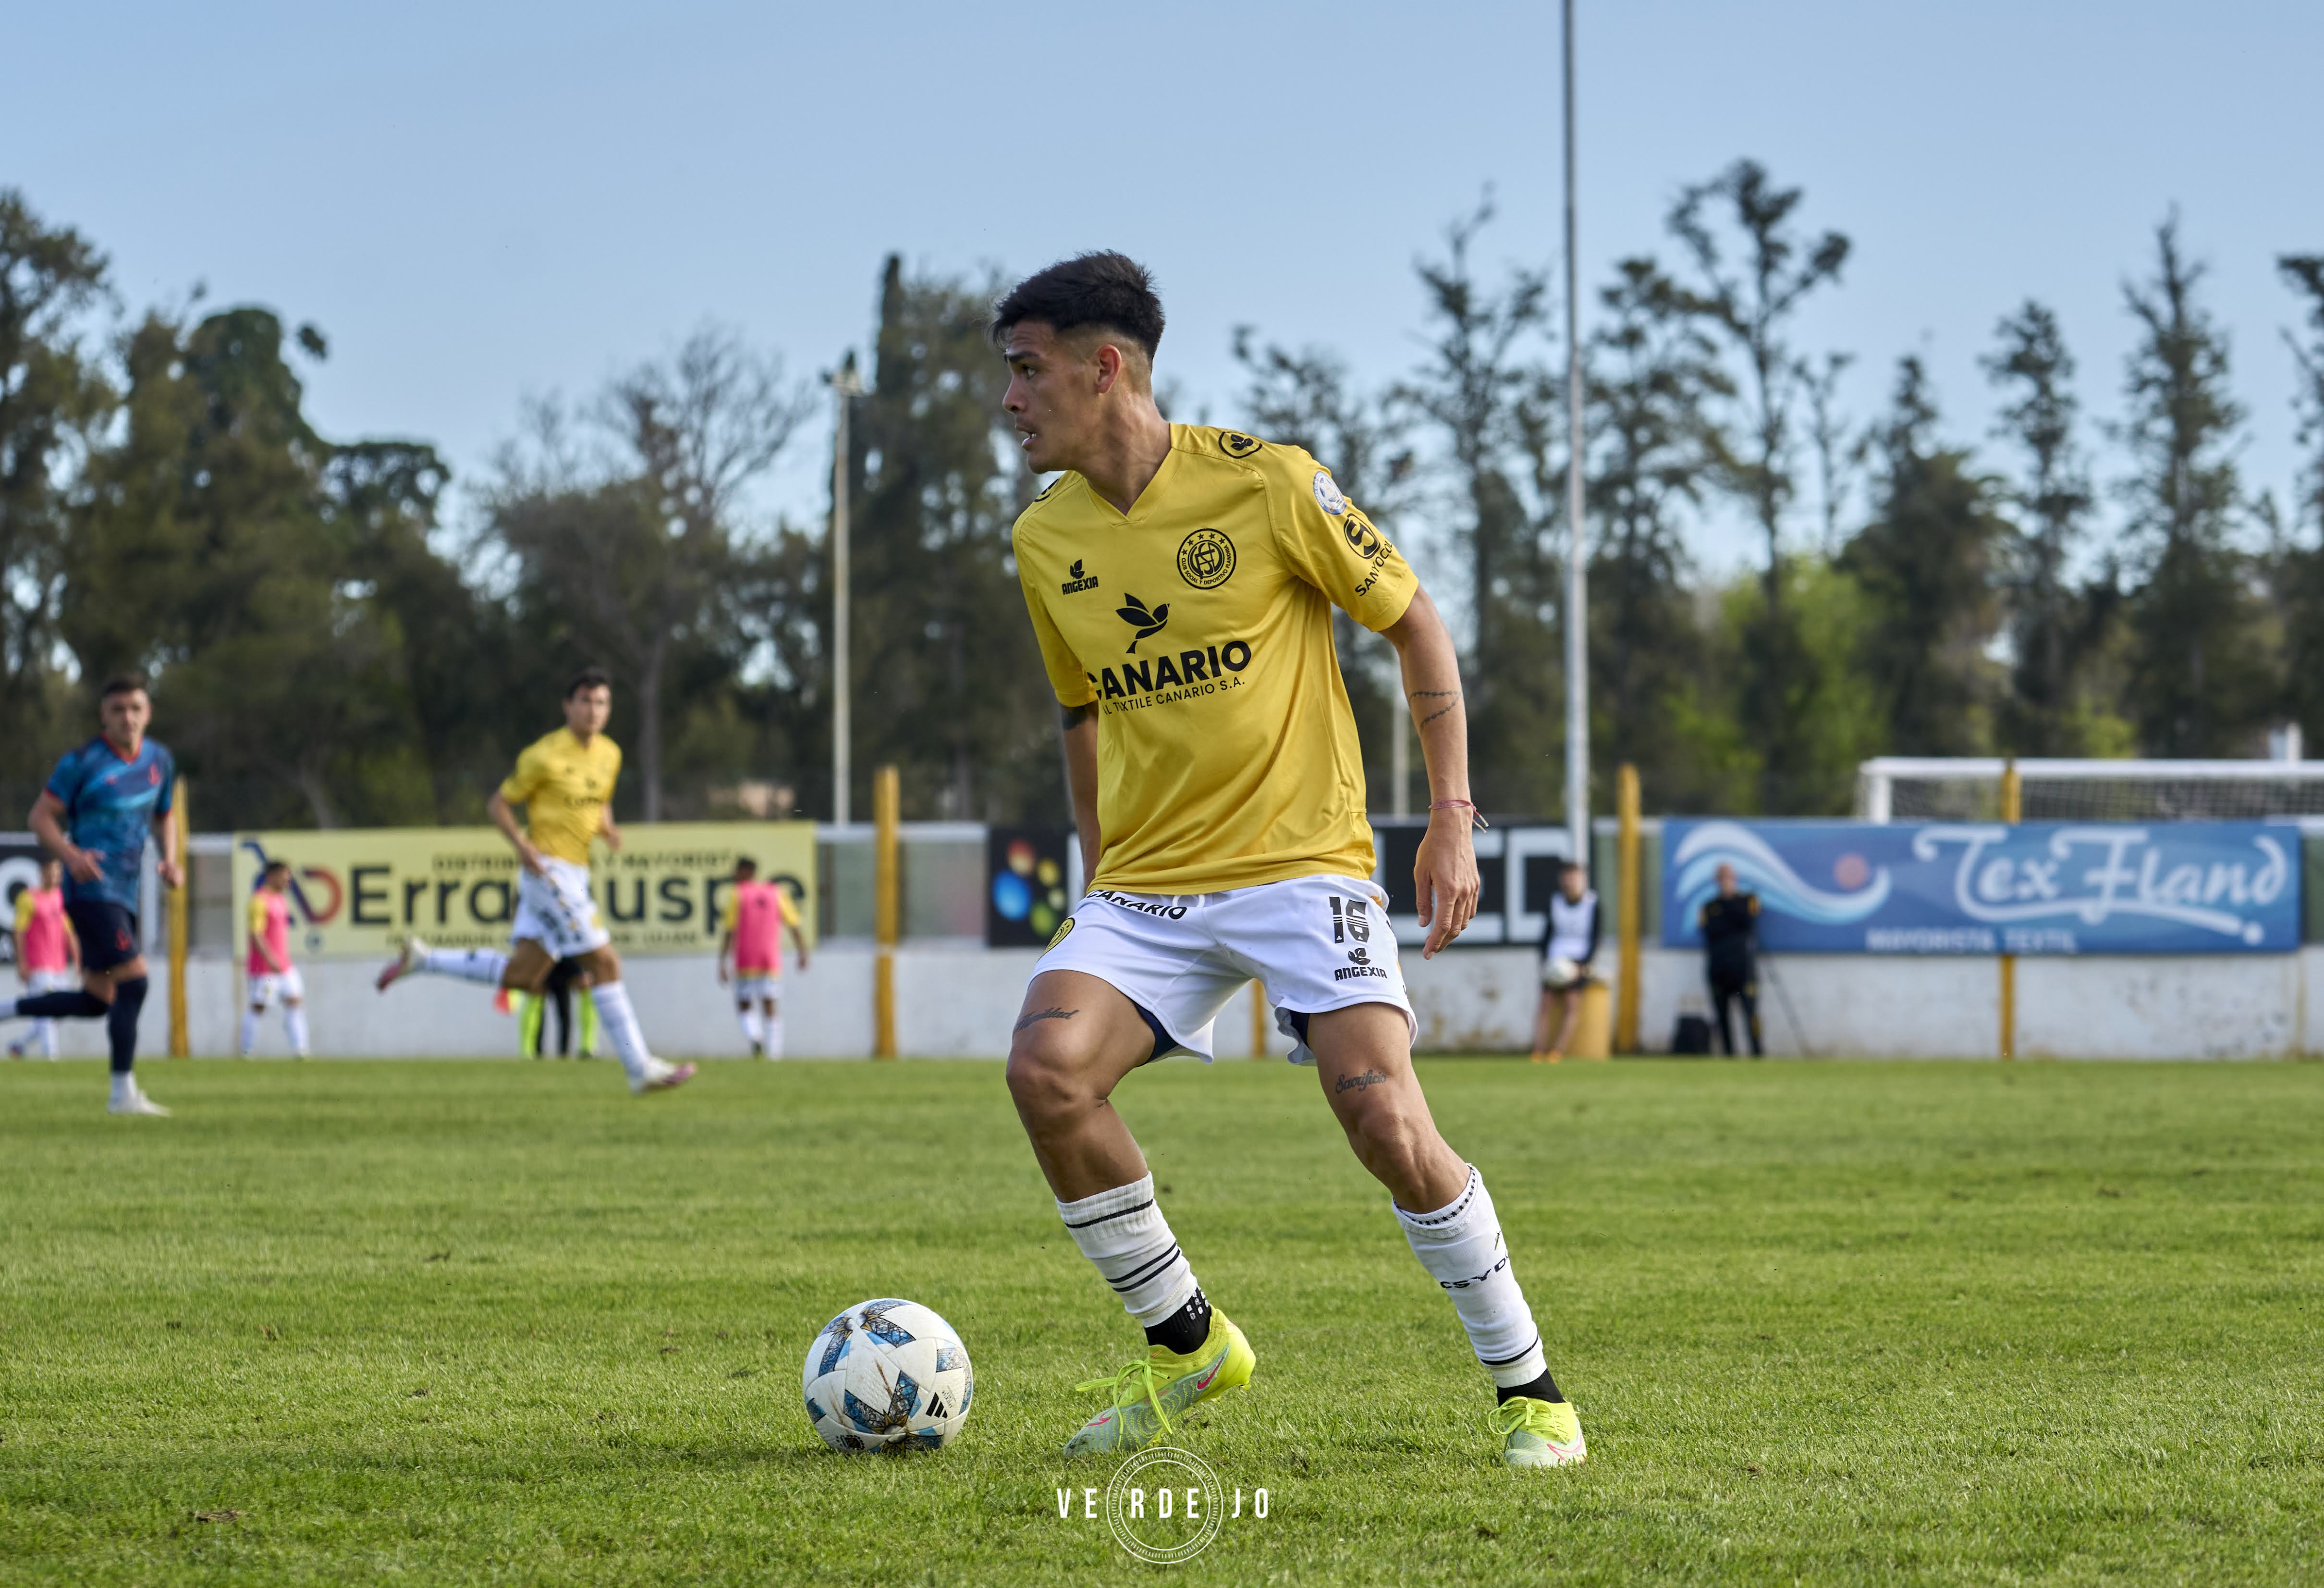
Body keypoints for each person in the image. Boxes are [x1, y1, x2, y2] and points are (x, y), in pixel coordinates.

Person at [995, 253, 1584, 1471]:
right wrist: (1100, 873)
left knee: (1382, 1117)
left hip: (1301, 863)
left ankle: (1531, 1391)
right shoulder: (1044, 538)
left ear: (1104, 369)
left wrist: (1452, 816)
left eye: (1027, 370)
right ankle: (1191, 1344)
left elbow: (1414, 620)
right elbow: (1081, 713)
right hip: (1148, 886)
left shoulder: (1267, 483)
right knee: (1047, 1071)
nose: (1010, 399)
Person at [374, 667, 693, 1095]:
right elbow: (498, 805)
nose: (593, 710)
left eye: (601, 702)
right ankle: (639, 1067)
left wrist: (607, 828)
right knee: (605, 963)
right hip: (548, 870)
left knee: (525, 976)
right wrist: (522, 845)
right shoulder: (544, 755)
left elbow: (600, 801)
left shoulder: (610, 754)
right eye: (585, 701)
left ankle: (425, 959)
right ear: (567, 706)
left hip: (577, 871)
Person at [0, 673, 181, 1114]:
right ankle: (123, 1094)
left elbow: (164, 815)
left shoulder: (159, 759)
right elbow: (40, 816)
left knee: (98, 1000)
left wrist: (170, 859)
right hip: (90, 889)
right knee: (136, 981)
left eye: (135, 709)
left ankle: (6, 1008)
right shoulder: (82, 762)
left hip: (126, 891)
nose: (127, 718)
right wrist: (71, 854)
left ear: (148, 713)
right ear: (104, 715)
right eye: (118, 710)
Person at [718, 857, 809, 1058]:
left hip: (745, 958)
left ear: (746, 871)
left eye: (737, 871)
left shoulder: (738, 894)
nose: (735, 875)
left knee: (744, 1003)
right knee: (770, 1003)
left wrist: (722, 962)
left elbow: (729, 930)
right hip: (769, 959)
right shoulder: (776, 893)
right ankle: (774, 1053)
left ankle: (755, 1036)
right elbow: (794, 924)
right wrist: (802, 951)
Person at [10, 858, 80, 1059]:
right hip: (38, 966)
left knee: (60, 1010)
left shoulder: (60, 897)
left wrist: (78, 958)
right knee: (46, 1013)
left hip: (59, 965)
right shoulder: (28, 898)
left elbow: (68, 931)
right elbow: (19, 931)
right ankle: (51, 1058)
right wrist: (22, 963)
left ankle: (19, 1045)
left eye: (58, 872)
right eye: (51, 871)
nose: (55, 876)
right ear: (42, 872)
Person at [1529, 861, 1600, 1063]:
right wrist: (1544, 961)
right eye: (1568, 877)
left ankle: (1557, 1051)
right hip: (1555, 959)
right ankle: (1538, 1049)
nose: (1571, 882)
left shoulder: (1592, 904)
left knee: (1571, 1005)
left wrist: (1584, 964)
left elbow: (1596, 937)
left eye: (1575, 877)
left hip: (1578, 961)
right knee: (1545, 1004)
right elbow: (1546, 934)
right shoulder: (1554, 903)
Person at [240, 859, 310, 1059]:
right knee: (259, 1006)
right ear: (272, 876)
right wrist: (270, 959)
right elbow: (255, 934)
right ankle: (246, 1050)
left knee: (295, 1001)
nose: (288, 880)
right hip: (265, 968)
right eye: (285, 876)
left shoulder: (280, 900)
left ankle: (301, 1049)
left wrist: (280, 960)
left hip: (285, 966)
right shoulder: (259, 901)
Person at [1699, 862, 1763, 1058]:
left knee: (1751, 1013)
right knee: (1722, 1016)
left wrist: (1729, 900)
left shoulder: (1747, 900)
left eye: (1729, 877)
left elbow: (1747, 923)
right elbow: (1711, 932)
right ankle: (1729, 1054)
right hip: (1719, 970)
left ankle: (1757, 1053)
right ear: (1717, 881)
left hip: (1744, 969)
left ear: (1735, 879)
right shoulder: (1709, 907)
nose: (1726, 881)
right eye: (1722, 878)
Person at [517, 957, 598, 1059]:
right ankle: (529, 1051)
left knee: (584, 988)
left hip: (567, 958)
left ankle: (586, 1048)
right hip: (544, 958)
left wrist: (583, 969)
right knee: (535, 995)